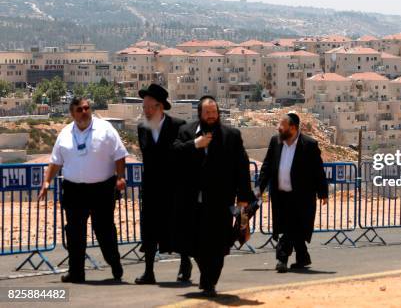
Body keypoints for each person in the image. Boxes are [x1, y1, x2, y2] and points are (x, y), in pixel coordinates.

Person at [38, 97, 128, 283]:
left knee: (104, 230)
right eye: (80, 109)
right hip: (73, 190)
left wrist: (120, 177)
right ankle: (76, 272)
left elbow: (119, 155)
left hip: (101, 189)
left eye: (87, 108)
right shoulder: (64, 134)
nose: (85, 112)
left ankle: (114, 263)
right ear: (72, 113)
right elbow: (56, 161)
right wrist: (46, 182)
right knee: (74, 232)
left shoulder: (105, 129)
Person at [173, 95, 254, 297]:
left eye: (214, 112)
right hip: (194, 202)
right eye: (207, 112)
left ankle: (209, 282)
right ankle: (206, 276)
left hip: (221, 202)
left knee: (219, 245)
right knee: (197, 244)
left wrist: (243, 198)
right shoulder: (186, 132)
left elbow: (242, 168)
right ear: (200, 113)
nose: (211, 116)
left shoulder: (232, 135)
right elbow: (173, 155)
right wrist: (195, 144)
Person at [256, 112, 328, 273]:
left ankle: (282, 258)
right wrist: (259, 189)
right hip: (280, 195)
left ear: (293, 128)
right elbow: (267, 166)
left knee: (290, 228)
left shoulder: (309, 145)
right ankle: (303, 257)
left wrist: (323, 192)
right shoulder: (275, 142)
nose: (278, 128)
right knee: (293, 228)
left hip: (301, 197)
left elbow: (318, 170)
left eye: (282, 126)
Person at [135, 84, 192, 284]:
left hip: (174, 188)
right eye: (144, 107)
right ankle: (148, 271)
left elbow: (185, 155)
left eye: (150, 107)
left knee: (178, 227)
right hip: (151, 189)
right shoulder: (142, 128)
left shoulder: (179, 126)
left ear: (160, 107)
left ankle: (185, 264)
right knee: (149, 230)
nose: (146, 111)